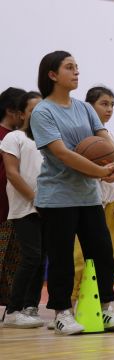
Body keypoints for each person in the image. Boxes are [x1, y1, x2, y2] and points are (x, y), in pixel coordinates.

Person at [29, 50, 114, 335]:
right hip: (58, 197)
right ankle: (62, 313)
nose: (76, 72)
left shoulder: (84, 108)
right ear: (52, 75)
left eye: (77, 67)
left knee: (102, 253)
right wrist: (100, 172)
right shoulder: (42, 111)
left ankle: (106, 309)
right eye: (69, 67)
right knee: (61, 258)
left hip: (88, 197)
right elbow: (61, 153)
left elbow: (103, 138)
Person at [71, 86, 114, 301]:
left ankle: (101, 302)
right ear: (90, 107)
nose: (109, 109)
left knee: (112, 258)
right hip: (87, 203)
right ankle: (72, 303)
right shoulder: (80, 136)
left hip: (113, 202)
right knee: (81, 257)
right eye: (104, 104)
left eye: (112, 105)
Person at [1, 91, 45, 328]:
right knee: (31, 256)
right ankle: (13, 309)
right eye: (34, 110)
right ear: (21, 114)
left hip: (47, 208)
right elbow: (12, 173)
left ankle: (31, 306)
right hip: (24, 208)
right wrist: (34, 199)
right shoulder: (14, 138)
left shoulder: (48, 140)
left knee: (41, 259)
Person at [0, 87, 26, 308]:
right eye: (22, 110)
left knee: (13, 263)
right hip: (1, 208)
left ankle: (13, 307)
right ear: (11, 110)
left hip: (16, 209)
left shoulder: (22, 139)